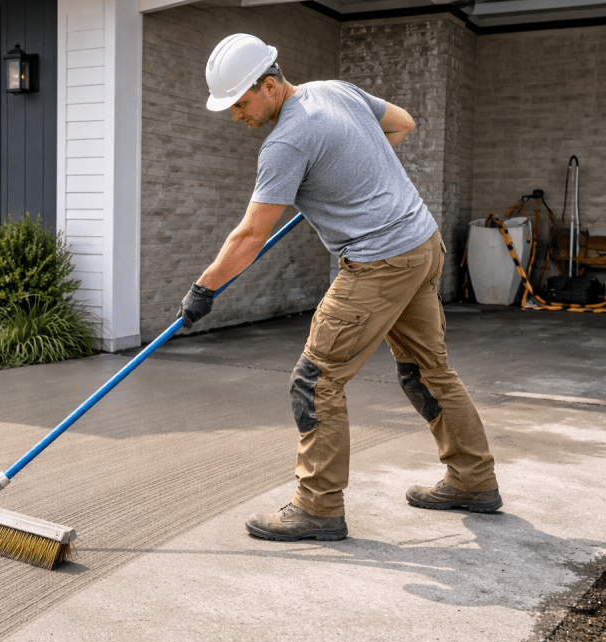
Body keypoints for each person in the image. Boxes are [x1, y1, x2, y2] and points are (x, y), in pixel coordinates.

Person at [177, 34, 502, 542]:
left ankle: (318, 507)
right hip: (421, 242)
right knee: (427, 371)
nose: (235, 115)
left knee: (315, 381)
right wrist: (345, 174)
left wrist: (203, 290)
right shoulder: (335, 90)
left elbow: (249, 237)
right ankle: (474, 480)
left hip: (379, 262)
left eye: (240, 103)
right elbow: (401, 123)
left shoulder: (285, 143)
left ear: (268, 85)